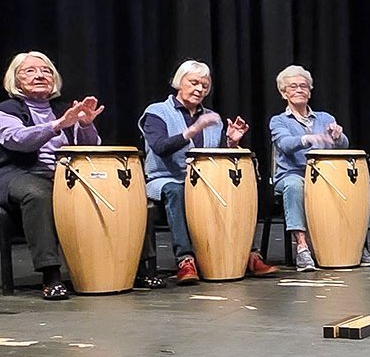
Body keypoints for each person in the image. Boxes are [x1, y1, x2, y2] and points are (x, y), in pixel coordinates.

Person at [139, 59, 279, 284]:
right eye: (193, 83)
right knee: (176, 190)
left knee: (239, 190)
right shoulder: (156, 112)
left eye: (204, 85)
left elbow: (215, 160)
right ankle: (185, 260)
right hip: (165, 178)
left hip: (205, 181)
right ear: (179, 82)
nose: (199, 89)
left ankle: (248, 254)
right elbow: (160, 147)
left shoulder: (212, 118)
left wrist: (231, 144)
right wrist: (193, 130)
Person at [0, 51, 116, 299]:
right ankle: (51, 275)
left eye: (45, 70)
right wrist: (57, 125)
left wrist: (85, 124)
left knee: (110, 187)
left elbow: (89, 148)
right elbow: (17, 140)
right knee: (38, 194)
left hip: (63, 175)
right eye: (29, 71)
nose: (40, 75)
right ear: (16, 80)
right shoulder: (7, 109)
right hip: (18, 175)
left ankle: (127, 267)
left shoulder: (63, 109)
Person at [269, 65, 370, 271]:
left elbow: (344, 145)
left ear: (310, 92)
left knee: (367, 186)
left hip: (328, 176)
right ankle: (302, 248)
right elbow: (284, 144)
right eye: (293, 86)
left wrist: (338, 136)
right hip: (295, 174)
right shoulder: (279, 121)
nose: (300, 90)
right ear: (284, 93)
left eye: (304, 86)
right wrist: (307, 138)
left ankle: (358, 243)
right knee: (294, 186)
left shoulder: (325, 118)